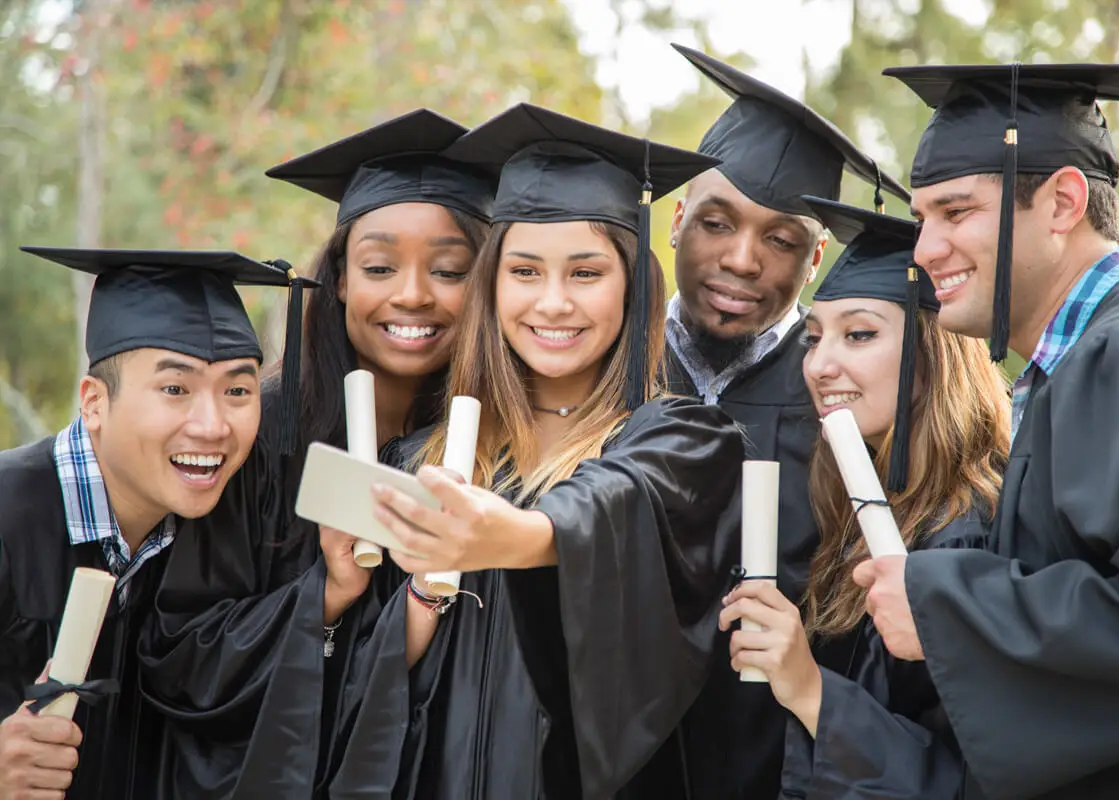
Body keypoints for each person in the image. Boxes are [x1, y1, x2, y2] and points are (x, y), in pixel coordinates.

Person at [328, 103, 745, 800]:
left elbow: (618, 500)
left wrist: (515, 534)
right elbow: (362, 691)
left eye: (585, 274)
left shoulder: (683, 440)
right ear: (492, 286)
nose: (552, 303)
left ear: (632, 285)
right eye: (524, 272)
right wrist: (425, 591)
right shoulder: (413, 460)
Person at [856, 63, 1119, 798]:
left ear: (1063, 201)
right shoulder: (1075, 361)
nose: (922, 252)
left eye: (955, 212)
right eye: (922, 220)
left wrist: (945, 607)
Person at [135, 109, 495, 797]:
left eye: (450, 270)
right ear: (339, 281)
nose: (413, 294)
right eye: (380, 266)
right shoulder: (260, 435)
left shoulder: (501, 446)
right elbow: (179, 652)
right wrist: (324, 594)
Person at [664, 44, 912, 799]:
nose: (743, 260)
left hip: (782, 772)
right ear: (676, 219)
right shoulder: (609, 370)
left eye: (781, 240)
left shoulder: (850, 411)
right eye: (715, 222)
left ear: (814, 261)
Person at [719, 198, 1009, 798]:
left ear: (934, 354)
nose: (821, 365)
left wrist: (807, 686)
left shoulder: (970, 531)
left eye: (859, 334)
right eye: (814, 338)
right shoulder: (869, 505)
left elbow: (970, 777)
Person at [0, 247, 308, 800]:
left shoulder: (218, 530)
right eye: (175, 389)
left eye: (238, 390)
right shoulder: (9, 514)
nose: (212, 426)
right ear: (93, 403)